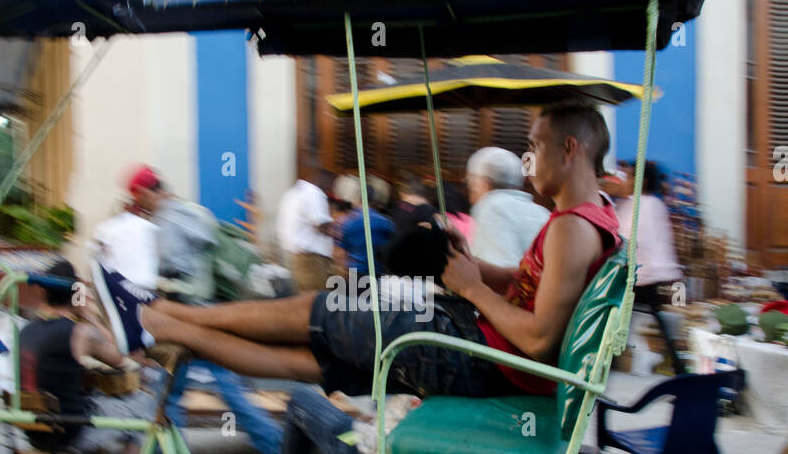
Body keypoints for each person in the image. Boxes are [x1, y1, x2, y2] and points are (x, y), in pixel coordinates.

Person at [95, 101, 622, 403]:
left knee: (318, 307)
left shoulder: (572, 228)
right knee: (309, 360)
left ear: (569, 149)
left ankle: (156, 316)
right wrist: (476, 268)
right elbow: (530, 290)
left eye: (534, 147)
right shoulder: (589, 219)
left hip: (478, 356)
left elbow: (536, 338)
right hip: (475, 347)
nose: (529, 159)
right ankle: (155, 321)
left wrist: (472, 287)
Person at [146, 168, 284, 454]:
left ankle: (274, 448)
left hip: (187, 314)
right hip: (207, 309)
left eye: (140, 196)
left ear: (148, 193)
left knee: (177, 387)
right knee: (195, 386)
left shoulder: (169, 217)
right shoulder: (193, 210)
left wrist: (157, 296)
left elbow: (173, 268)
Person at [18, 258, 159, 454]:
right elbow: (120, 355)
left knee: (85, 395)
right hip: (70, 431)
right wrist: (88, 316)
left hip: (33, 429)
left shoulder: (26, 330)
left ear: (44, 292)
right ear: (75, 294)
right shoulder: (79, 332)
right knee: (146, 403)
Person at [605, 160, 687, 374]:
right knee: (645, 318)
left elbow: (628, 239)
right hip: (654, 275)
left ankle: (611, 361)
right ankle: (677, 364)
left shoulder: (636, 205)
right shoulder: (654, 204)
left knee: (616, 317)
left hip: (640, 276)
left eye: (630, 177)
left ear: (641, 181)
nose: (627, 181)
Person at [466, 146, 550, 268]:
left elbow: (500, 270)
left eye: (471, 182)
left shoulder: (491, 207)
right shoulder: (541, 211)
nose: (470, 190)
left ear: (483, 183)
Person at [91, 166, 164, 291]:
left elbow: (96, 264)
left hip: (119, 292)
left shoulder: (106, 228)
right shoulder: (154, 227)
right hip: (148, 292)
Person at [276, 167, 335, 291]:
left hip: (295, 256)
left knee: (304, 299)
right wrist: (339, 229)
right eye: (331, 185)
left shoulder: (293, 192)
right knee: (315, 300)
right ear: (325, 181)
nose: (330, 190)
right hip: (310, 260)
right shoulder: (314, 193)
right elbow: (322, 226)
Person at [334, 176, 395, 273]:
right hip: (379, 273)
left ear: (357, 199)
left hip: (354, 273)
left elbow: (339, 253)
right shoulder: (387, 223)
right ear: (375, 202)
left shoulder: (344, 222)